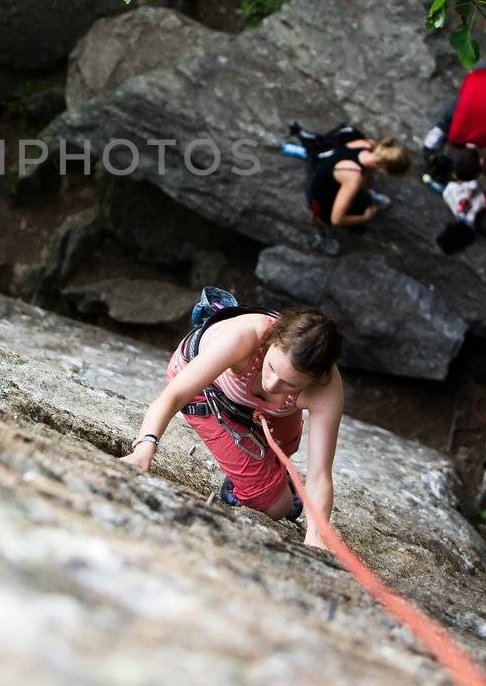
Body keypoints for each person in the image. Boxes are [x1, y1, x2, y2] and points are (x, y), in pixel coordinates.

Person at [120, 303, 345, 550]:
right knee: (278, 507)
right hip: (208, 391)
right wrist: (144, 450)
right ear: (271, 340)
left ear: (316, 379)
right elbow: (173, 396)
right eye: (271, 368)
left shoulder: (326, 389)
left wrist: (316, 536)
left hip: (266, 407)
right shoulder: (244, 337)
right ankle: (252, 482)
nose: (271, 384)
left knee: (288, 444)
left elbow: (319, 474)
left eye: (290, 384)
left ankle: (260, 471)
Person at [305, 134, 411, 255]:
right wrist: (365, 217)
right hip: (321, 191)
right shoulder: (353, 178)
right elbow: (337, 219)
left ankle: (368, 195)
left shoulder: (367, 145)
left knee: (360, 184)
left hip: (331, 173)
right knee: (319, 218)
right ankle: (322, 237)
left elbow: (363, 172)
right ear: (383, 170)